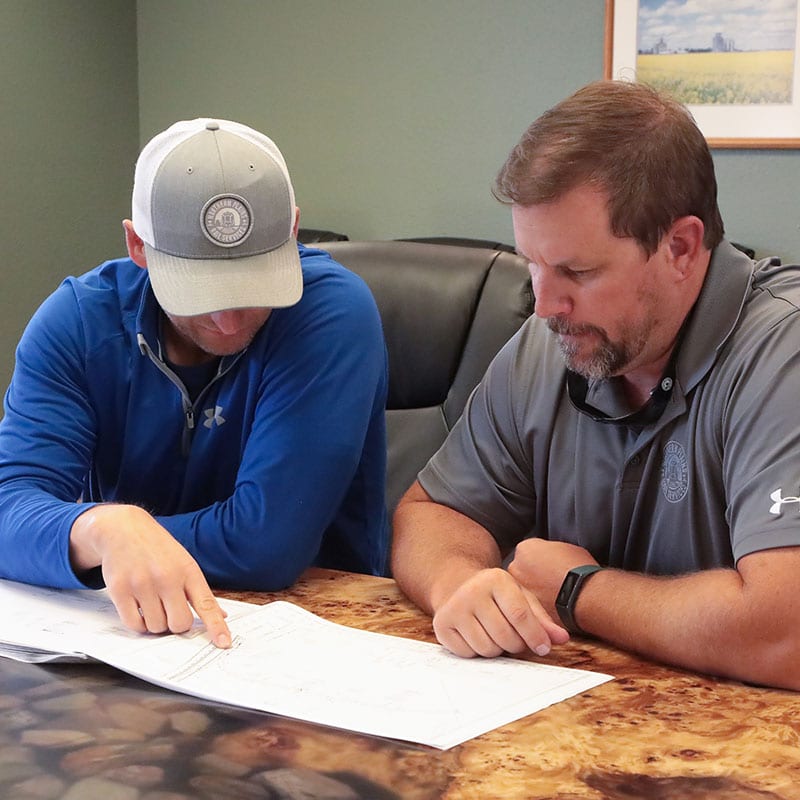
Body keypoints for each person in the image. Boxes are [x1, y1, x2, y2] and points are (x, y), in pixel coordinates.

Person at [391, 80, 800, 691]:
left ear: (681, 247)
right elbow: (432, 513)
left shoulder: (782, 352)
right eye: (533, 264)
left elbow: (786, 633)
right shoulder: (555, 340)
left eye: (576, 272)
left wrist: (580, 591)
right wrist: (459, 583)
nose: (544, 305)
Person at [0, 118, 388, 649]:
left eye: (256, 284)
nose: (229, 322)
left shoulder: (331, 312)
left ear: (292, 231)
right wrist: (101, 530)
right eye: (198, 291)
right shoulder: (76, 322)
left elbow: (266, 544)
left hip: (319, 636)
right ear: (138, 246)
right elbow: (8, 505)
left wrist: (93, 541)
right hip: (130, 635)